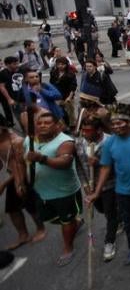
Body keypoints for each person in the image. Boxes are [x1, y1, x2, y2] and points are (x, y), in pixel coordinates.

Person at [86, 102, 130, 266]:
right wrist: (97, 192)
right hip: (122, 191)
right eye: (113, 124)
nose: (116, 127)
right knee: (129, 221)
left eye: (120, 123)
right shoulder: (110, 143)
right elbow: (105, 167)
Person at [23, 110, 81, 266]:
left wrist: (41, 158)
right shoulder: (29, 140)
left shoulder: (65, 141)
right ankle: (75, 220)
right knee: (54, 218)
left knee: (66, 221)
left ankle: (68, 248)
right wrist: (20, 181)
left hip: (64, 192)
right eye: (40, 123)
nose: (43, 126)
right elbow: (22, 161)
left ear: (57, 126)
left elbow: (65, 163)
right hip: (41, 191)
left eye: (47, 123)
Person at [74, 116, 118, 261]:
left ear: (99, 130)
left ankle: (109, 242)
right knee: (101, 209)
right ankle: (119, 218)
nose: (84, 133)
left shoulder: (110, 142)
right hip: (90, 186)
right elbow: (79, 166)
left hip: (109, 184)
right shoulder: (79, 143)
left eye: (88, 130)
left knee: (110, 213)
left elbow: (117, 168)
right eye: (83, 130)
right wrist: (85, 185)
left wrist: (100, 162)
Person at [0, 117, 46, 250]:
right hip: (13, 177)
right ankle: (23, 235)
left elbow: (22, 166)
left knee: (31, 205)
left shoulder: (16, 142)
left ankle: (40, 229)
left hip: (24, 176)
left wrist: (6, 184)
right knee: (12, 209)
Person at [49, 57, 77, 129]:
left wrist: (70, 97)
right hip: (57, 96)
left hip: (67, 96)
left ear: (66, 65)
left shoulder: (70, 74)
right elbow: (51, 84)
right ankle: (63, 127)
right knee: (59, 112)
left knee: (70, 112)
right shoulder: (53, 73)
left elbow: (73, 87)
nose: (60, 66)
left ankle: (72, 126)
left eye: (62, 64)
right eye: (58, 64)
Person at [0, 56, 22, 128]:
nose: (17, 65)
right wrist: (9, 99)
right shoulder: (3, 73)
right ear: (8, 64)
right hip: (10, 97)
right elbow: (2, 87)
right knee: (20, 117)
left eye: (17, 63)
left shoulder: (18, 70)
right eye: (14, 64)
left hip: (21, 96)